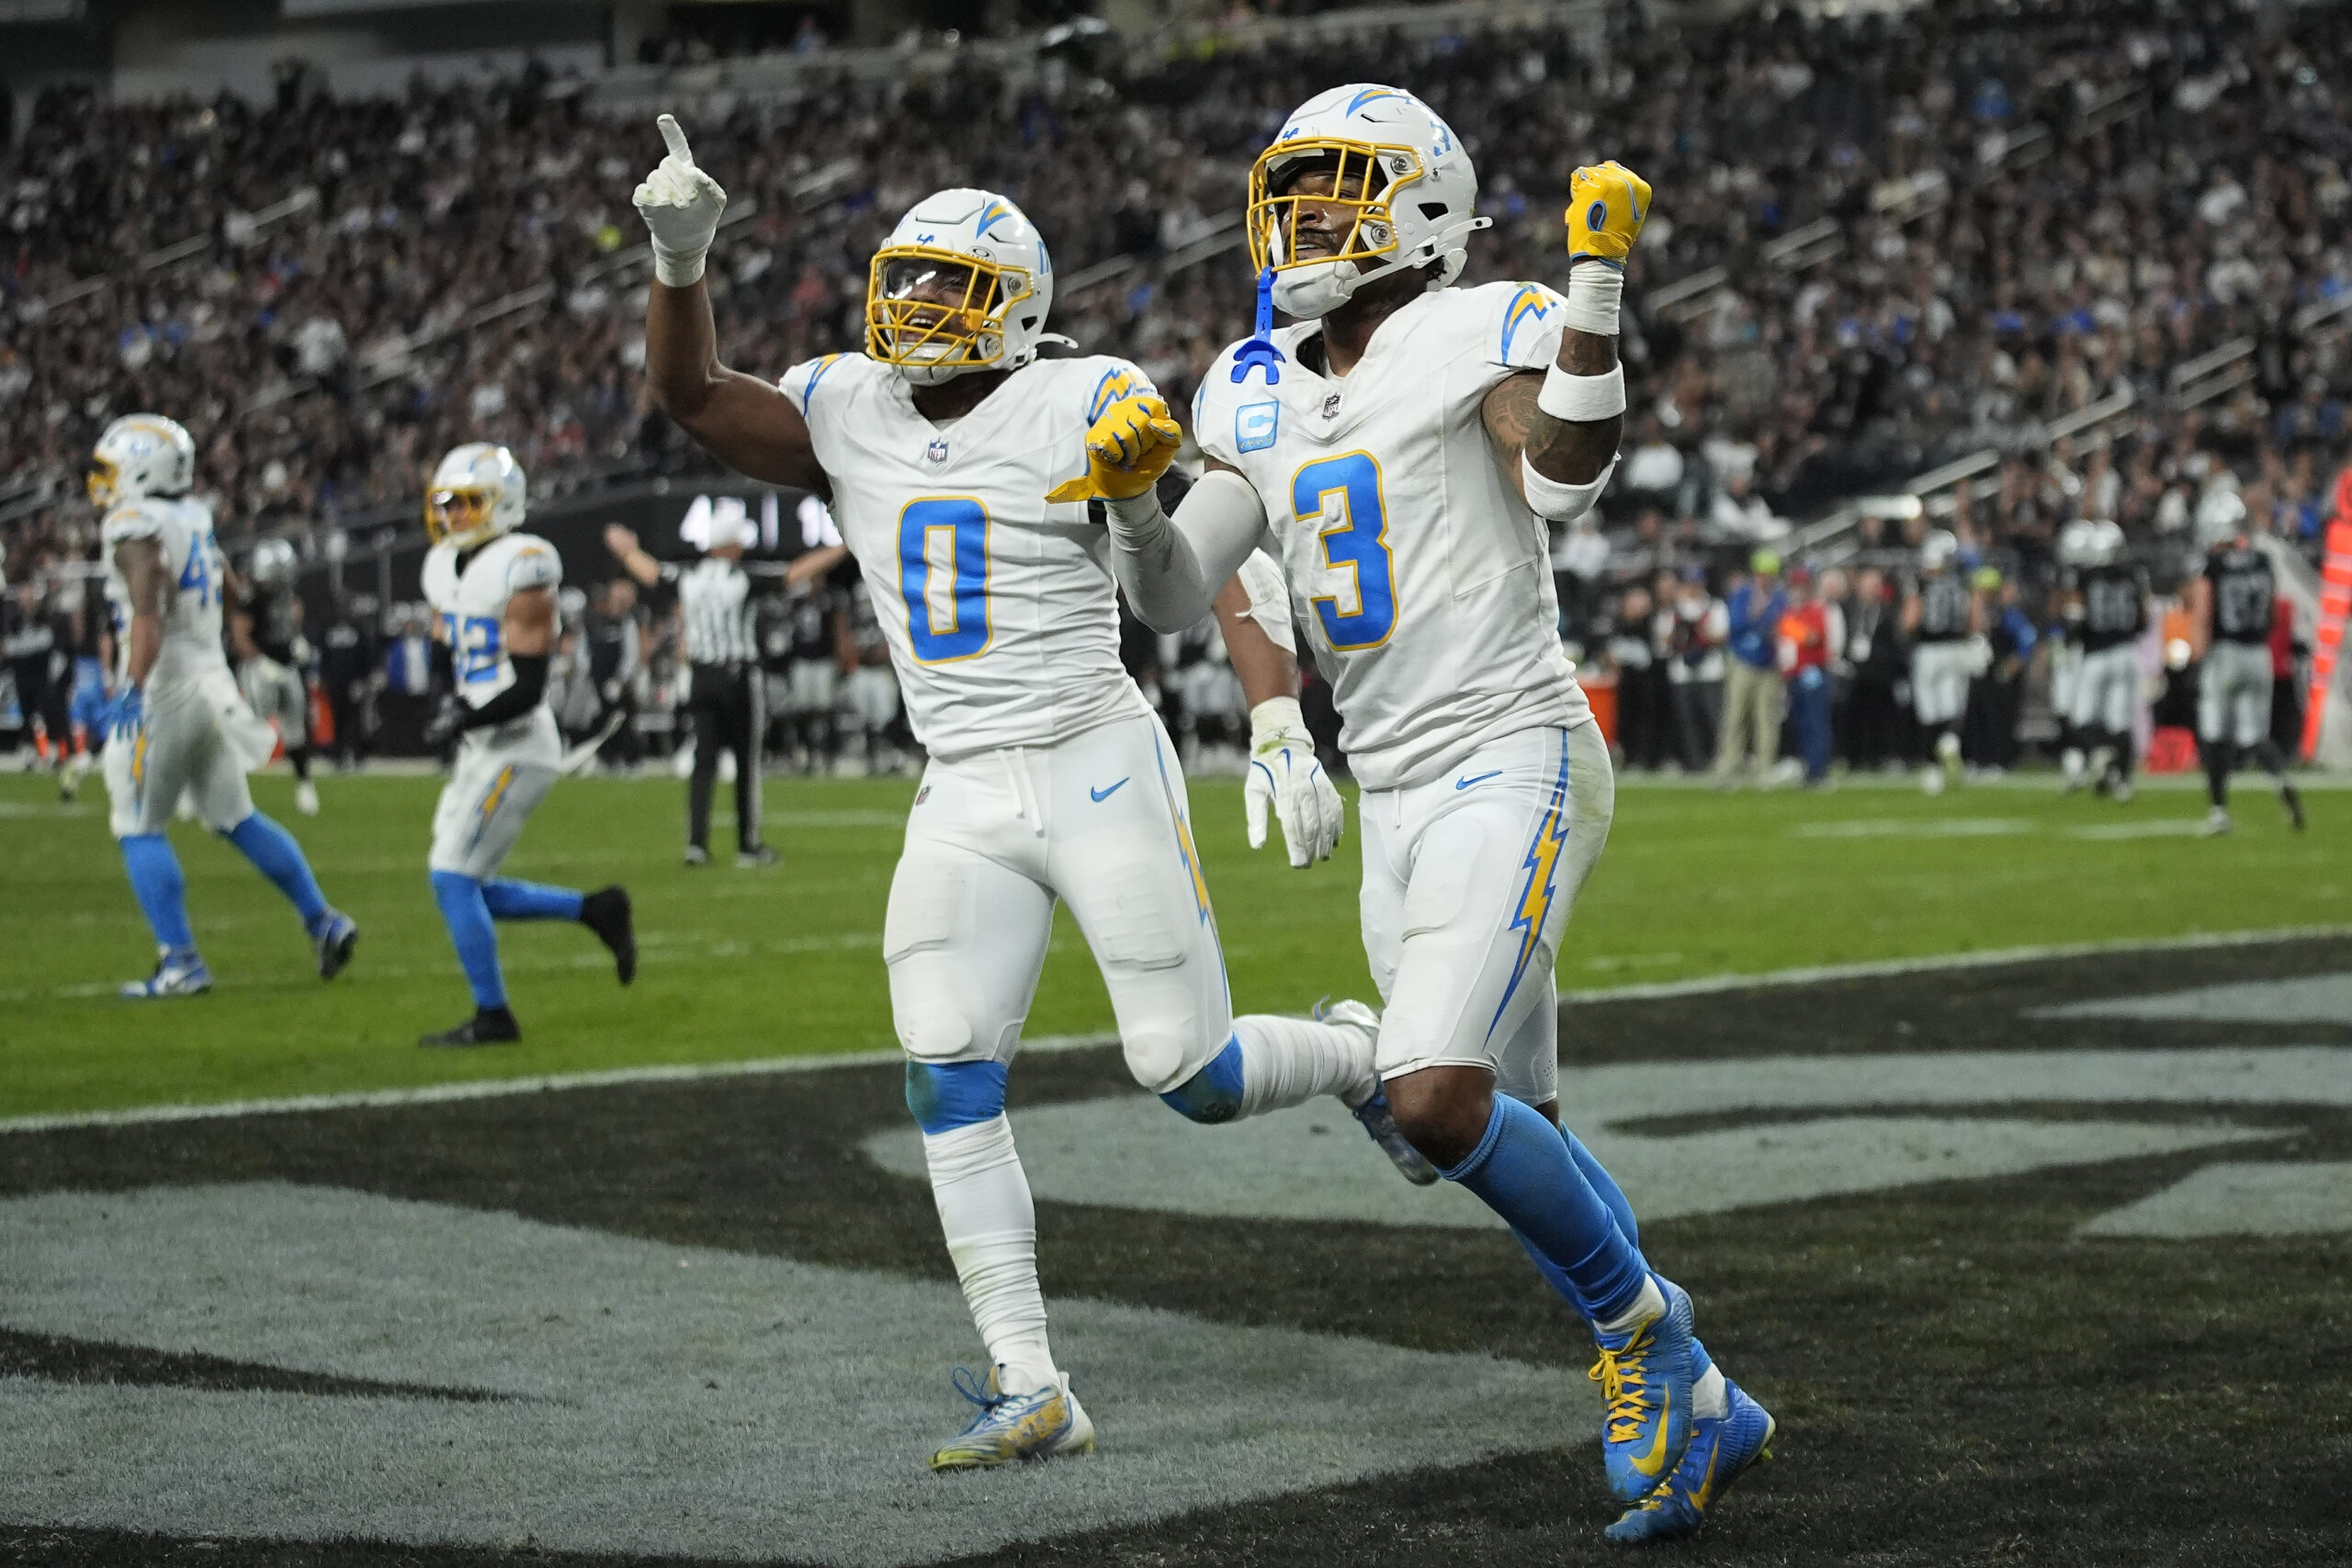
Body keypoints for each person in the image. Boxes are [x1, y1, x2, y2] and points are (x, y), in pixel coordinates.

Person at [630, 115, 1428, 1471]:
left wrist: (1279, 714)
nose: (925, 304)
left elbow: (1211, 562)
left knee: (1189, 1070)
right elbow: (697, 394)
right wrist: (679, 253)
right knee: (944, 1066)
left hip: (1092, 755)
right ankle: (1030, 1378)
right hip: (959, 787)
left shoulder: (1083, 393)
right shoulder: (847, 403)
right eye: (912, 278)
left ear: (1018, 308)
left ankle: (1359, 1054)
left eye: (955, 284)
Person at [1087, 87, 1769, 1541]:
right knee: (1482, 1134)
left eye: (1340, 192)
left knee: (1431, 1091)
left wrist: (1595, 291)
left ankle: (1653, 1343)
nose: (1305, 221)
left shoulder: (1482, 321)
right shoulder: (1248, 385)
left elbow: (1568, 477)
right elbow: (1165, 591)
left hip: (1514, 747)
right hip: (1393, 782)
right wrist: (1137, 504)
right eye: (1295, 192)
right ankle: (1703, 1395)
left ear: (1422, 206)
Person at [85, 413, 359, 998]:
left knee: (138, 826)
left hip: (164, 690)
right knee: (236, 818)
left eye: (112, 467)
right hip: (212, 684)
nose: (104, 481)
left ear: (140, 468)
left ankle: (180, 960)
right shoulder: (192, 515)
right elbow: (232, 590)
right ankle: (322, 918)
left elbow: (150, 607)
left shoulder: (134, 522)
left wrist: (132, 685)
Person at [416, 442, 638, 1045]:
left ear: (500, 503)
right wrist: (450, 697)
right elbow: (446, 645)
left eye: (465, 503)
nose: (453, 515)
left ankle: (494, 1015)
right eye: (448, 504)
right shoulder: (444, 564)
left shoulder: (526, 565)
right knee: (470, 883)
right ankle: (595, 910)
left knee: (452, 878)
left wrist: (460, 714)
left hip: (517, 742)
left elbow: (530, 686)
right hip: (482, 740)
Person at [605, 513, 779, 866]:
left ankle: (697, 844)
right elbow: (794, 575)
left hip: (700, 678)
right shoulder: (741, 578)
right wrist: (844, 548)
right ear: (729, 545)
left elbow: (652, 573)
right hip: (736, 676)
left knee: (704, 762)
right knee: (746, 763)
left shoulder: (691, 578)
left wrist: (627, 552)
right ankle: (748, 845)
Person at [2188, 492, 2304, 835]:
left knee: (2215, 735)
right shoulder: (2261, 561)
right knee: (2254, 736)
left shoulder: (2213, 566)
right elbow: (2273, 615)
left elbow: (2204, 614)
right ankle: (2282, 782)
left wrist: (2198, 659)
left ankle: (2219, 812)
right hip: (2258, 654)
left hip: (2224, 654)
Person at [2057, 519, 2147, 801]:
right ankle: (2123, 782)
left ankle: (2101, 755)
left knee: (2083, 719)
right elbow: (2143, 621)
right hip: (2127, 653)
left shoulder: (2085, 578)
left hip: (2096, 654)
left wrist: (2071, 639)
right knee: (2120, 722)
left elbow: (2075, 620)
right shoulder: (2134, 575)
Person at [232, 536, 320, 816]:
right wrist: (260, 661)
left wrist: (297, 643)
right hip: (259, 668)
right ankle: (225, 786)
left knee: (296, 728)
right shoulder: (251, 596)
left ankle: (305, 786)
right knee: (250, 728)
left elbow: (292, 623)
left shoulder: (288, 594)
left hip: (286, 667)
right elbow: (239, 636)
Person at [1904, 527, 1978, 794]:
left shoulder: (1921, 582)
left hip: (1927, 651)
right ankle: (1949, 740)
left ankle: (1932, 770)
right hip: (1956, 648)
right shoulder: (1962, 581)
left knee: (1928, 712)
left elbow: (1909, 621)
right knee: (1951, 709)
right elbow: (1974, 620)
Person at [1713, 550, 1785, 787]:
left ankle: (1766, 768)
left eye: (1768, 574)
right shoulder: (1743, 595)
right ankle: (1729, 766)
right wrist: (1757, 619)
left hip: (1768, 664)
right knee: (1735, 716)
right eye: (1761, 574)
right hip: (1743, 661)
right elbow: (1735, 624)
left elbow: (1781, 626)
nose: (1764, 579)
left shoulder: (1780, 598)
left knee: (1766, 718)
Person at [1778, 565, 1835, 785]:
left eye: (1802, 586)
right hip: (1793, 674)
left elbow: (1813, 638)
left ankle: (1818, 770)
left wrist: (1789, 627)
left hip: (1812, 673)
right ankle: (1809, 767)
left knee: (1816, 723)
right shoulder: (1790, 612)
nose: (1798, 590)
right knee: (1801, 724)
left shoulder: (1814, 611)